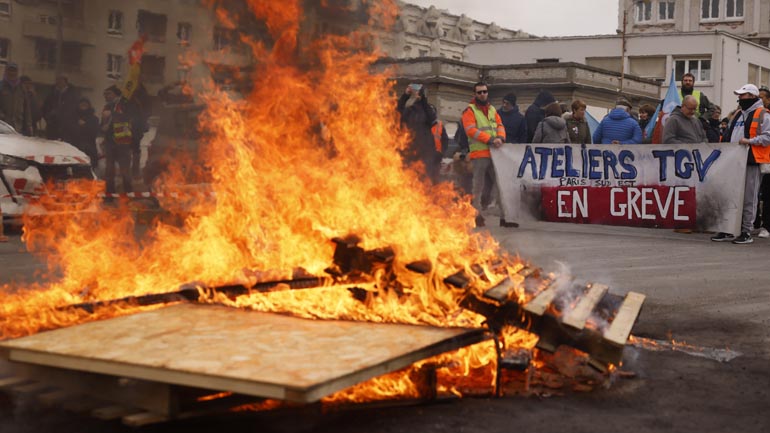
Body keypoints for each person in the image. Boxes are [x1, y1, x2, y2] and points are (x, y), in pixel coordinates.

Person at [711, 84, 770, 244]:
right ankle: (727, 228)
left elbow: (768, 137)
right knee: (729, 195)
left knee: (749, 198)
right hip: (733, 161)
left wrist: (749, 141)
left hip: (752, 160)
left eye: (743, 95)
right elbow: (728, 134)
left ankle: (746, 232)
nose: (740, 98)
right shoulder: (738, 114)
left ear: (752, 96)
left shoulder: (763, 114)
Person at [461, 82, 514, 228]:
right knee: (478, 187)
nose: (482, 94)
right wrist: (491, 139)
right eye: (479, 92)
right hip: (479, 154)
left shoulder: (492, 110)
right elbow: (470, 130)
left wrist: (501, 138)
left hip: (495, 153)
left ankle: (505, 218)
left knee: (500, 186)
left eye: (484, 91)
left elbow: (500, 125)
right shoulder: (469, 111)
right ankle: (476, 216)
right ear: (475, 94)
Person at [397, 83, 441, 184]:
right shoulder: (409, 111)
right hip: (410, 151)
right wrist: (405, 95)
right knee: (408, 180)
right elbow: (398, 113)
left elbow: (432, 118)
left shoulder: (428, 110)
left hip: (425, 153)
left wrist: (423, 99)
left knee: (425, 180)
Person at [100, 85, 135, 197]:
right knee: (109, 170)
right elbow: (103, 124)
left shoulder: (124, 104)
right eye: (105, 94)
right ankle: (110, 194)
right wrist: (102, 128)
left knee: (125, 170)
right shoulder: (107, 106)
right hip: (110, 143)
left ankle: (129, 195)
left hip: (123, 143)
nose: (106, 96)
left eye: (108, 93)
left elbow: (127, 117)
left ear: (116, 94)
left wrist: (112, 114)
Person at [42, 75, 79, 142]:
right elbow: (45, 108)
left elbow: (75, 109)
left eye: (61, 80)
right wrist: (48, 116)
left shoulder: (72, 95)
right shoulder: (51, 94)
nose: (59, 82)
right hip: (52, 125)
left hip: (67, 127)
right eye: (57, 80)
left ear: (65, 82)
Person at [0, 63, 31, 134]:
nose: (12, 73)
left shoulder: (21, 88)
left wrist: (29, 124)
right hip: (3, 126)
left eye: (14, 71)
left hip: (18, 127)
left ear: (17, 72)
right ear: (6, 72)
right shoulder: (1, 86)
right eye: (10, 70)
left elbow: (27, 108)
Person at [73, 98, 100, 169]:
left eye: (85, 104)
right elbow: (70, 129)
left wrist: (84, 125)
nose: (83, 105)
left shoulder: (94, 119)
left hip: (89, 146)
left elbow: (94, 132)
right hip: (75, 146)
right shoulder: (73, 118)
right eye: (81, 104)